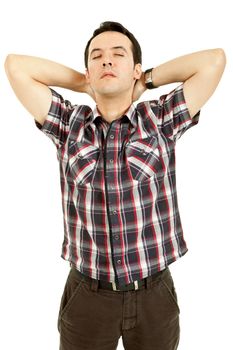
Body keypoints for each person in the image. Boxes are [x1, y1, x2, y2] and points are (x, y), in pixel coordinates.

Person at [4, 21, 226, 350]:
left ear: (135, 68)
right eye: (97, 56)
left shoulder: (159, 119)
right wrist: (84, 84)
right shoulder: (69, 125)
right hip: (88, 296)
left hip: (154, 295)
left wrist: (145, 81)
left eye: (118, 54)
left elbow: (214, 61)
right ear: (88, 70)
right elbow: (15, 66)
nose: (107, 60)